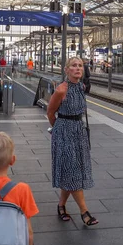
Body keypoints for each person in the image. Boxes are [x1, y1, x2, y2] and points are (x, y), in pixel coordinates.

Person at [47, 57, 98, 226]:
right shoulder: (61, 90)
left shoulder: (82, 87)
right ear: (66, 70)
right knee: (74, 171)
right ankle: (85, 212)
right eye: (74, 66)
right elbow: (50, 112)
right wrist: (59, 130)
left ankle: (61, 206)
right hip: (64, 132)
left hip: (79, 131)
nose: (78, 68)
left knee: (71, 171)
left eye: (80, 66)